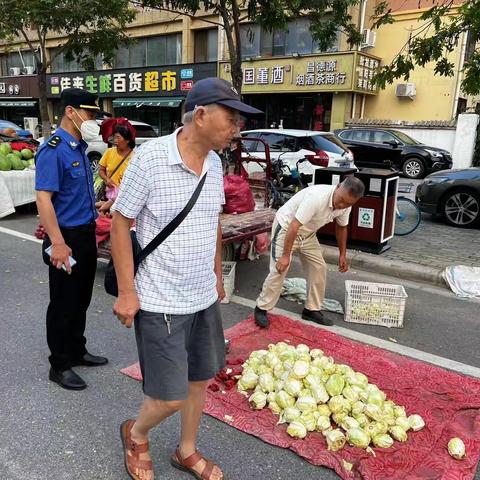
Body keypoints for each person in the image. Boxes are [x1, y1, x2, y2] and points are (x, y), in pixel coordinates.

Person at [110, 78, 262, 480]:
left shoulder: (214, 163)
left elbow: (211, 220)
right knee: (169, 396)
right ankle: (137, 432)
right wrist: (127, 292)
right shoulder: (151, 158)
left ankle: (186, 450)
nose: (237, 128)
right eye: (232, 119)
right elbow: (120, 223)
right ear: (201, 115)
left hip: (201, 297)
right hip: (161, 298)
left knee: (199, 380)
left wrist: (215, 274)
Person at [35, 88, 108, 391]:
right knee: (63, 302)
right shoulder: (54, 149)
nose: (93, 120)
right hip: (65, 238)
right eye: (90, 113)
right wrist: (58, 242)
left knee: (81, 299)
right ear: (71, 112)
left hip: (86, 233)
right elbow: (43, 198)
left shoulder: (78, 146)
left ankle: (77, 350)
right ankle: (60, 364)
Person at [254, 177, 365, 328]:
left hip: (308, 233)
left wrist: (342, 254)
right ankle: (262, 307)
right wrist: (286, 256)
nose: (342, 205)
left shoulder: (346, 206)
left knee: (318, 268)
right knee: (279, 269)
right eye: (341, 200)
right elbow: (294, 225)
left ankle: (311, 309)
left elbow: (342, 227)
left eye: (348, 203)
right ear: (338, 187)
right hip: (287, 229)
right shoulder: (316, 198)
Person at [97, 118, 136, 215]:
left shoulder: (135, 156)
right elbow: (101, 170)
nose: (115, 140)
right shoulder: (109, 152)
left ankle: (103, 206)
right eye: (114, 137)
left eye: (118, 137)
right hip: (109, 193)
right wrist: (107, 179)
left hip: (126, 197)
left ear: (127, 140)